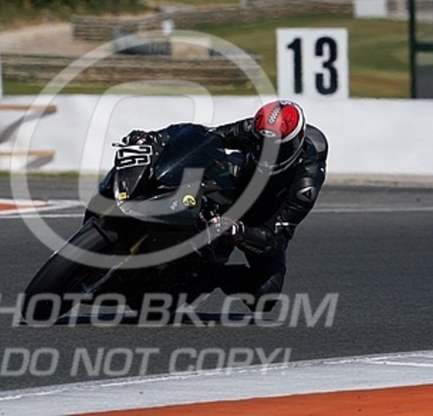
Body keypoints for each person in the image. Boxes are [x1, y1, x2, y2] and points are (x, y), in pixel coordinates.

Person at [121, 99, 328, 312]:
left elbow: (276, 239)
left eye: (277, 149)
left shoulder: (306, 186)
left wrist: (240, 232)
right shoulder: (253, 128)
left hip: (264, 219)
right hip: (239, 184)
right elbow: (205, 136)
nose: (268, 155)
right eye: (262, 145)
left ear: (298, 142)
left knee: (266, 295)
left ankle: (210, 274)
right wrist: (154, 138)